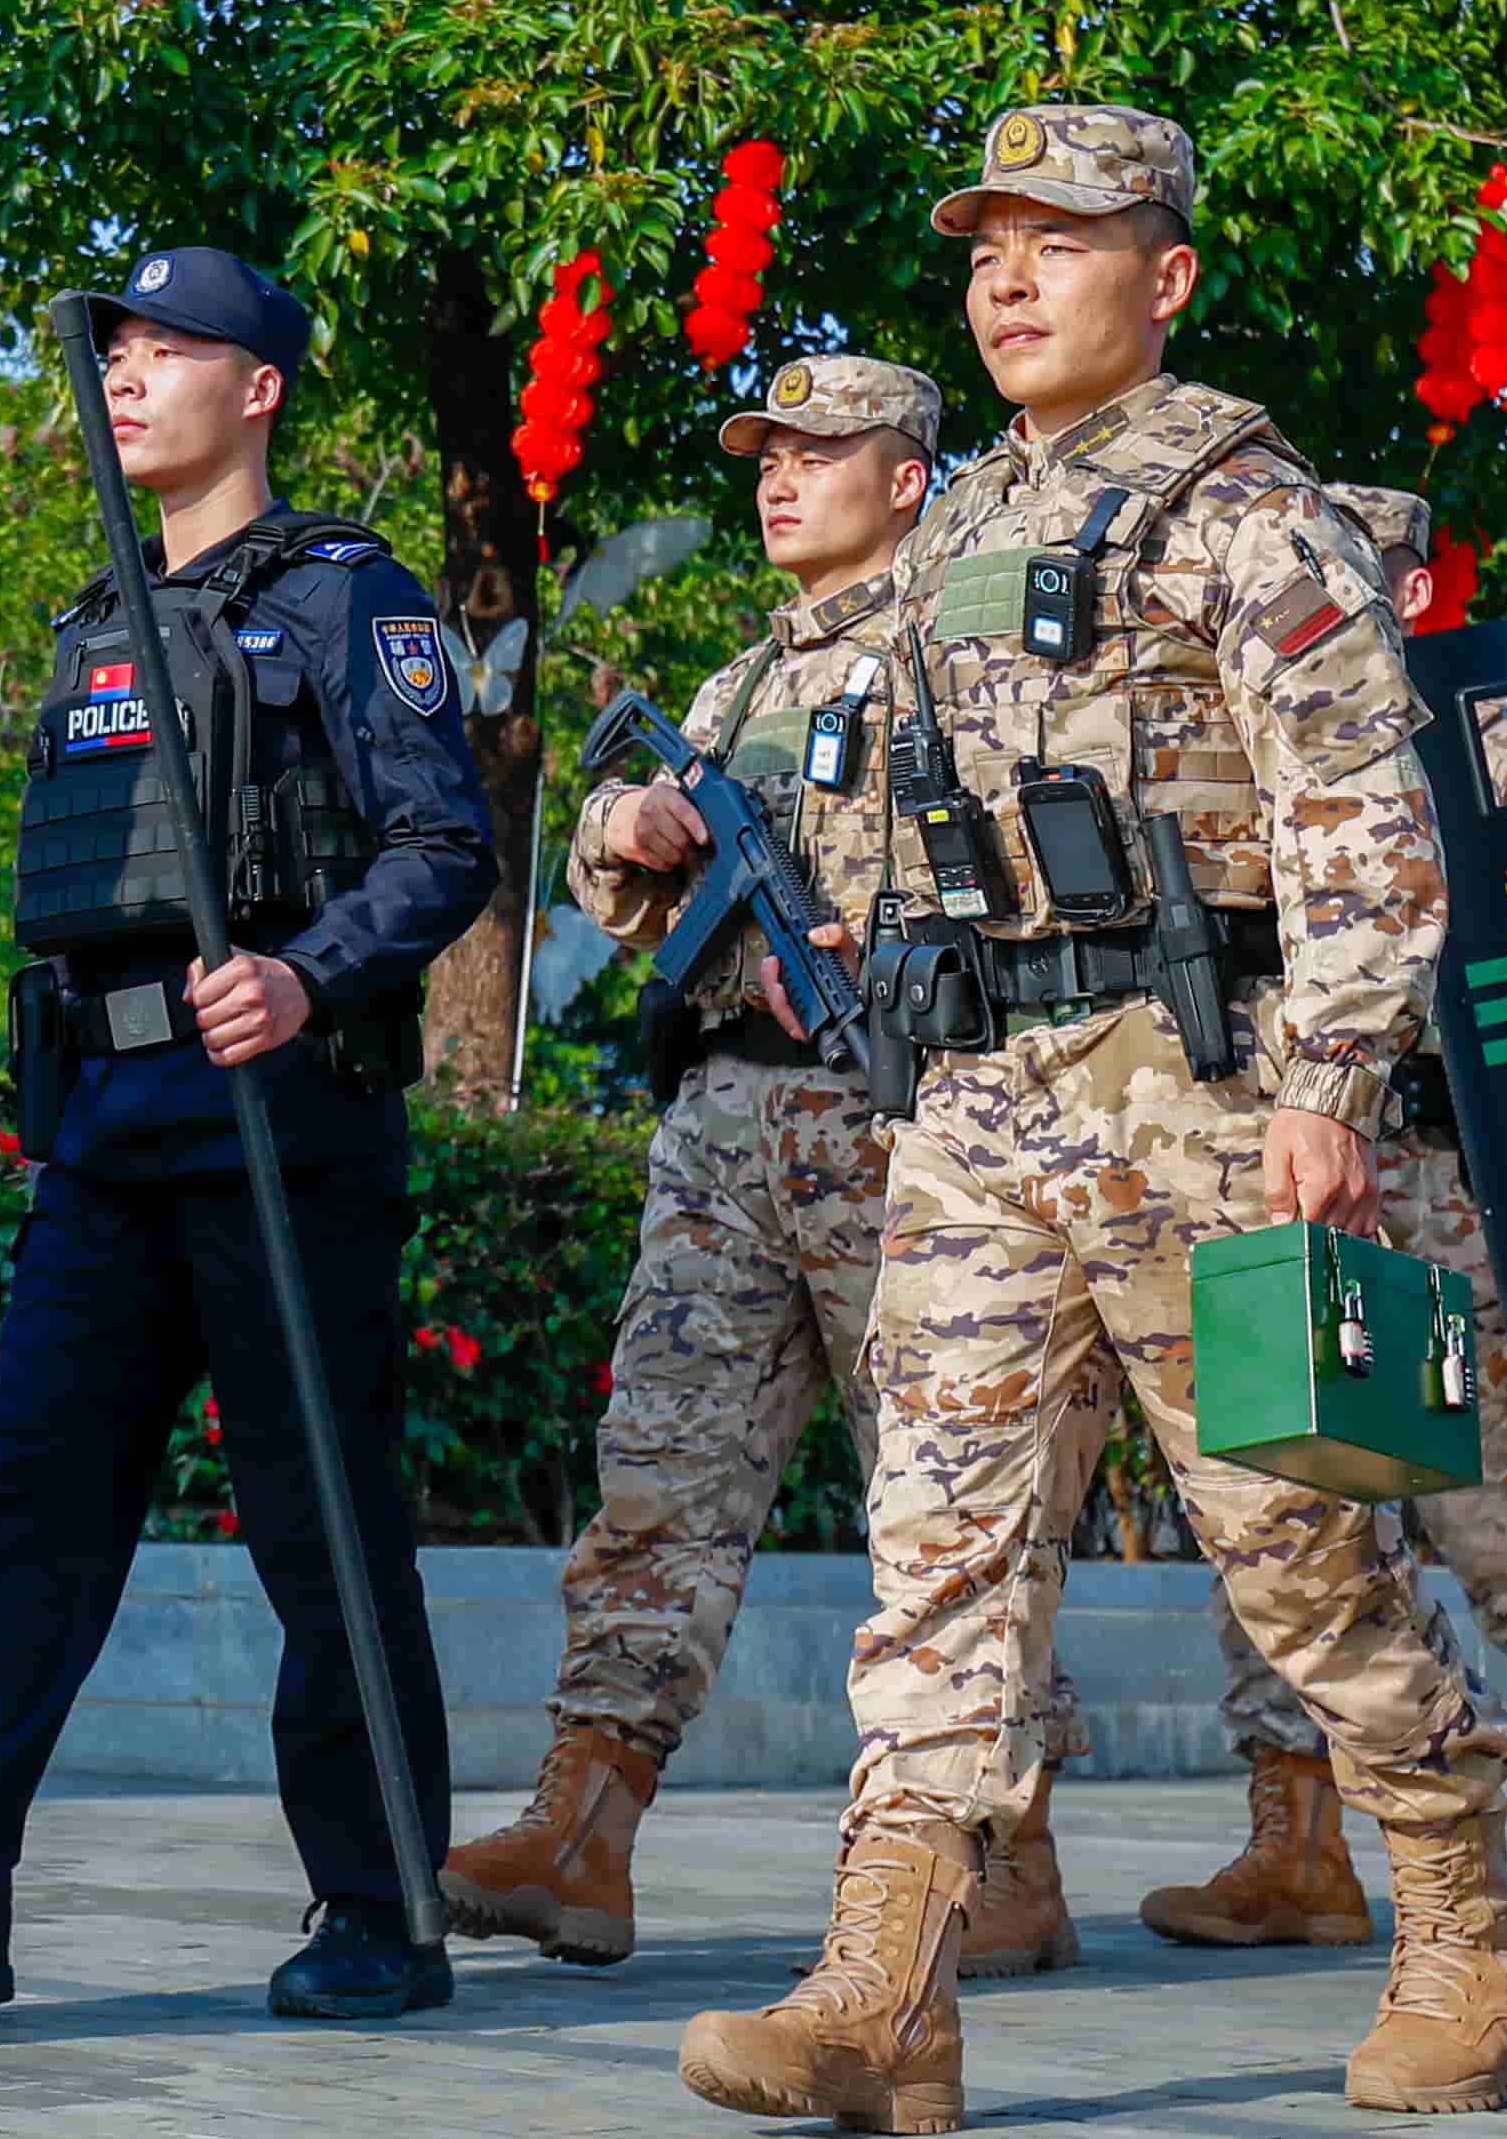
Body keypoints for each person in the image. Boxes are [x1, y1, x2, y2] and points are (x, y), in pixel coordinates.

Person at [679, 104, 1507, 2139]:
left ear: (1160, 275)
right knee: (937, 1552)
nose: (1004, 273)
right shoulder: (954, 517)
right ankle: (886, 1985)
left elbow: (1360, 807)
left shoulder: (1245, 511)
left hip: (1203, 1093)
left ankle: (1459, 1917)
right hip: (979, 1101)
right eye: (985, 240)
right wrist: (666, 849)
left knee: (1297, 1546)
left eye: (1056, 238)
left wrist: (1329, 1086)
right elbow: (858, 792)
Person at [0, 249, 494, 2022]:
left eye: (173, 349)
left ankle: (381, 1908)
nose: (131, 375)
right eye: (117, 351)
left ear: (262, 390)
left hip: (280, 1118)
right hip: (111, 1127)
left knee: (322, 1526)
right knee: (26, 1513)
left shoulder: (346, 598)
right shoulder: (98, 616)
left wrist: (312, 978)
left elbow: (445, 846)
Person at [441, 357, 1098, 1981]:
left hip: (917, 1123)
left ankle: (999, 1859)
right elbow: (633, 889)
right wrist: (627, 832)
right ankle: (583, 1828)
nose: (778, 477)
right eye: (765, 452)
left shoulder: (975, 652)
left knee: (951, 1508)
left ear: (912, 476)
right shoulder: (739, 685)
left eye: (821, 451)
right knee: (659, 1478)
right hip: (728, 1124)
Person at [1139, 482, 1507, 1949]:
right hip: (1275, 1158)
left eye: (1370, 574)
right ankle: (1295, 1834)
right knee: (1281, 1492)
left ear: (1423, 585)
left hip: (1446, 1173)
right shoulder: (1242, 734)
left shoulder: (1493, 734)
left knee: (1491, 1509)